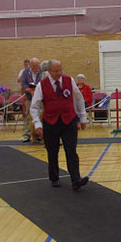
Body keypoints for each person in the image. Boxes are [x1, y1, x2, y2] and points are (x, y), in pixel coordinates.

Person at [30, 60, 89, 190]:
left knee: (71, 150)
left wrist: (83, 118)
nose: (59, 73)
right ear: (49, 71)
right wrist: (37, 124)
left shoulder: (69, 80)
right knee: (52, 151)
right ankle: (54, 177)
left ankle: (76, 179)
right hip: (50, 122)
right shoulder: (42, 85)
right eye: (56, 71)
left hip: (69, 120)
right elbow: (34, 107)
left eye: (61, 69)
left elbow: (78, 99)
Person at [20, 58, 42, 142]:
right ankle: (27, 134)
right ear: (30, 65)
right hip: (29, 97)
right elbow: (23, 84)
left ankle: (40, 134)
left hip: (40, 98)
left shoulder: (41, 72)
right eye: (34, 66)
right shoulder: (25, 72)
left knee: (41, 116)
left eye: (37, 66)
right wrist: (29, 90)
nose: (36, 68)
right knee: (28, 115)